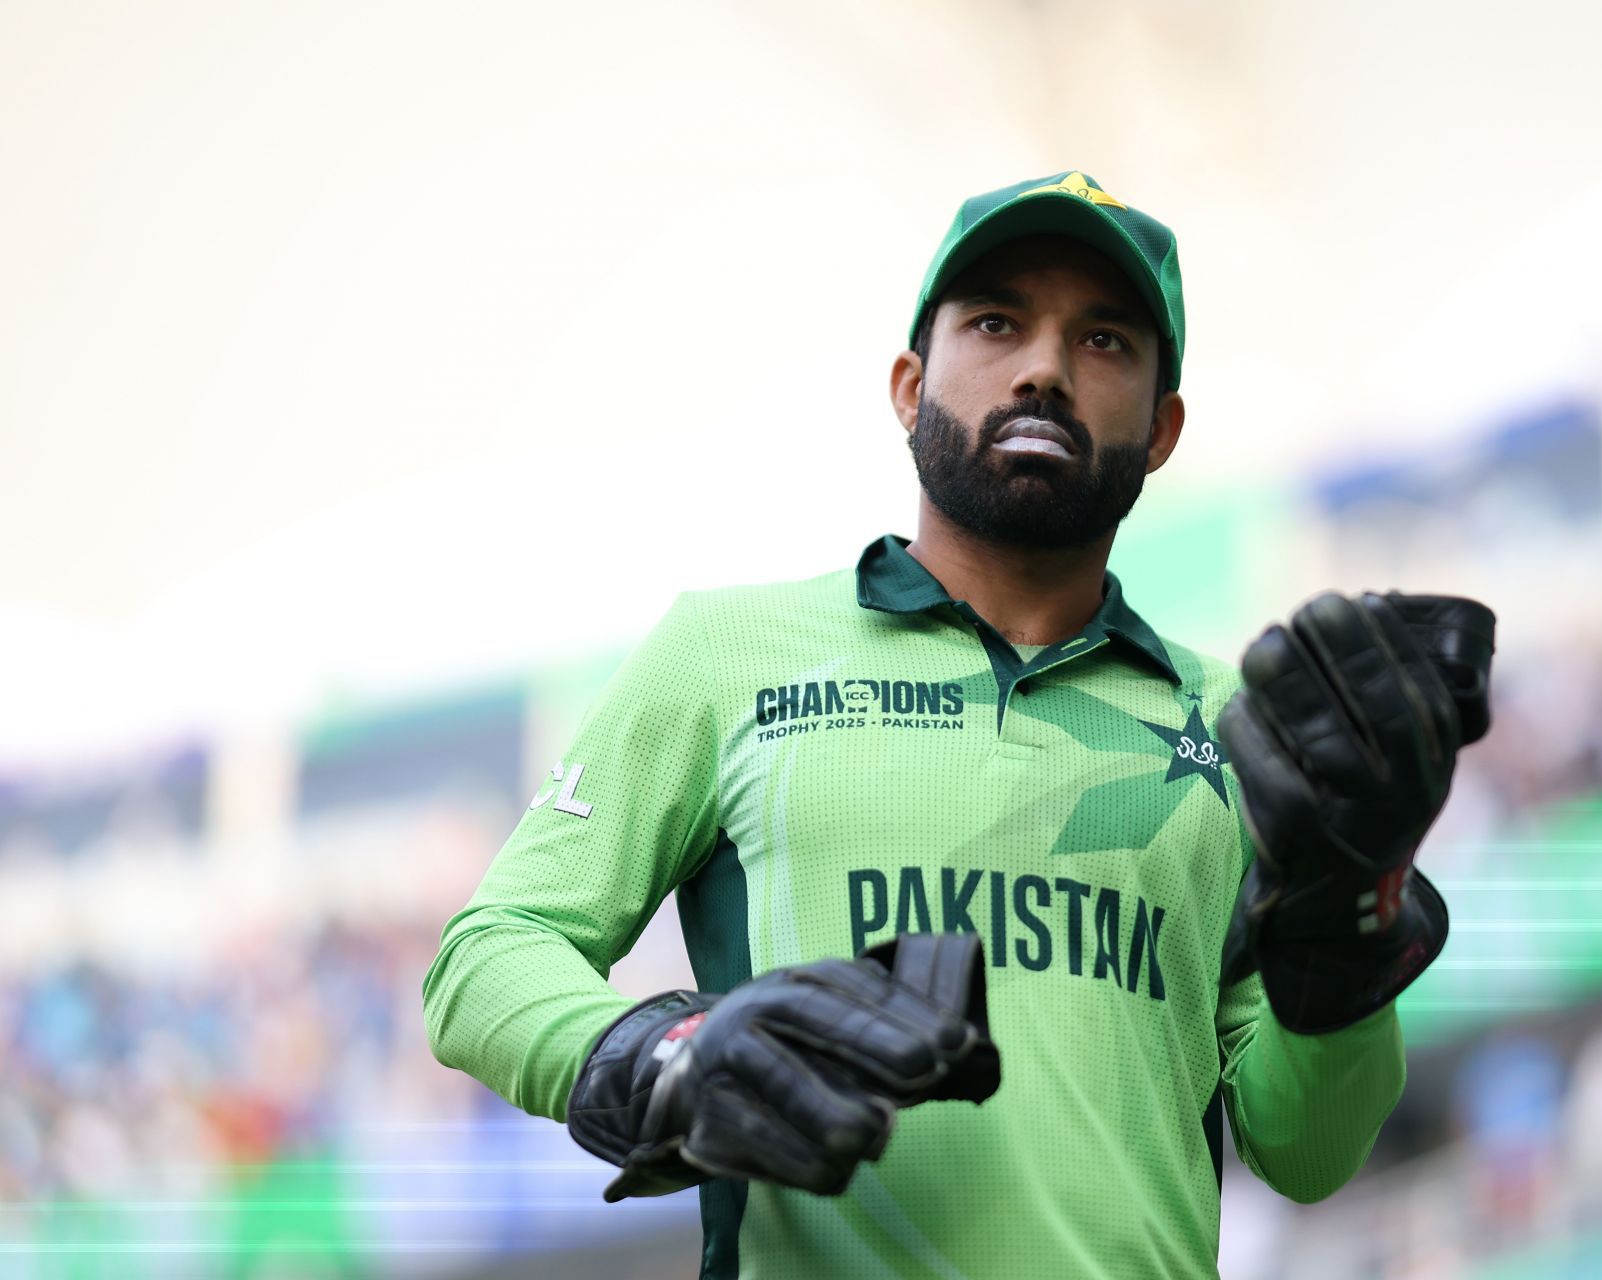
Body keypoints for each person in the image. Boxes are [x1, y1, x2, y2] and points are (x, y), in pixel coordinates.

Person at [422, 170, 1496, 1280]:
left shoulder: (1247, 730)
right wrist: (667, 1054)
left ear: (1163, 429)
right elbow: (487, 957)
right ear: (909, 385)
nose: (1044, 368)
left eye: (1105, 341)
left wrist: (1350, 914)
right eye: (995, 322)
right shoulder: (723, 653)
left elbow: (1310, 1149)